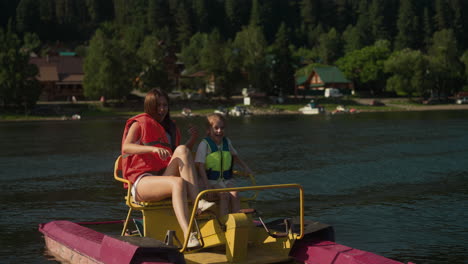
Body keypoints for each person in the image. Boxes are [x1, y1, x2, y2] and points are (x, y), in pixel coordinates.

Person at [121, 88, 214, 248]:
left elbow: (177, 156)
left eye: (165, 105)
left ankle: (198, 202)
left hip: (162, 176)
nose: (163, 109)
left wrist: (192, 140)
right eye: (158, 105)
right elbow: (126, 147)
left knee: (183, 150)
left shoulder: (171, 128)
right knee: (177, 183)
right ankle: (188, 235)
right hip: (142, 182)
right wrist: (153, 149)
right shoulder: (139, 123)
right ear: (150, 106)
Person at [195, 113, 253, 216]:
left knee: (235, 194)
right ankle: (224, 222)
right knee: (224, 195)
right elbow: (200, 166)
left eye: (222, 128)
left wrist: (246, 168)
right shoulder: (204, 144)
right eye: (216, 128)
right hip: (210, 181)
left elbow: (235, 157)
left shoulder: (227, 142)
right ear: (208, 130)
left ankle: (237, 220)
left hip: (226, 179)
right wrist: (207, 185)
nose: (219, 131)